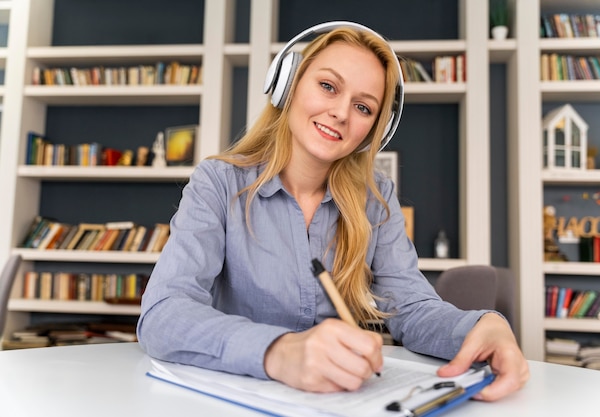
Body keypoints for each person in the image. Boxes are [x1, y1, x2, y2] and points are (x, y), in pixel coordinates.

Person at [137, 21, 528, 401]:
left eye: (363, 106)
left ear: (376, 128)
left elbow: (411, 308)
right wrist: (279, 351)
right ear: (287, 86)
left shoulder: (375, 198)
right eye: (328, 86)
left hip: (338, 401)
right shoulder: (218, 183)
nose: (342, 113)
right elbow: (163, 314)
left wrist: (479, 325)